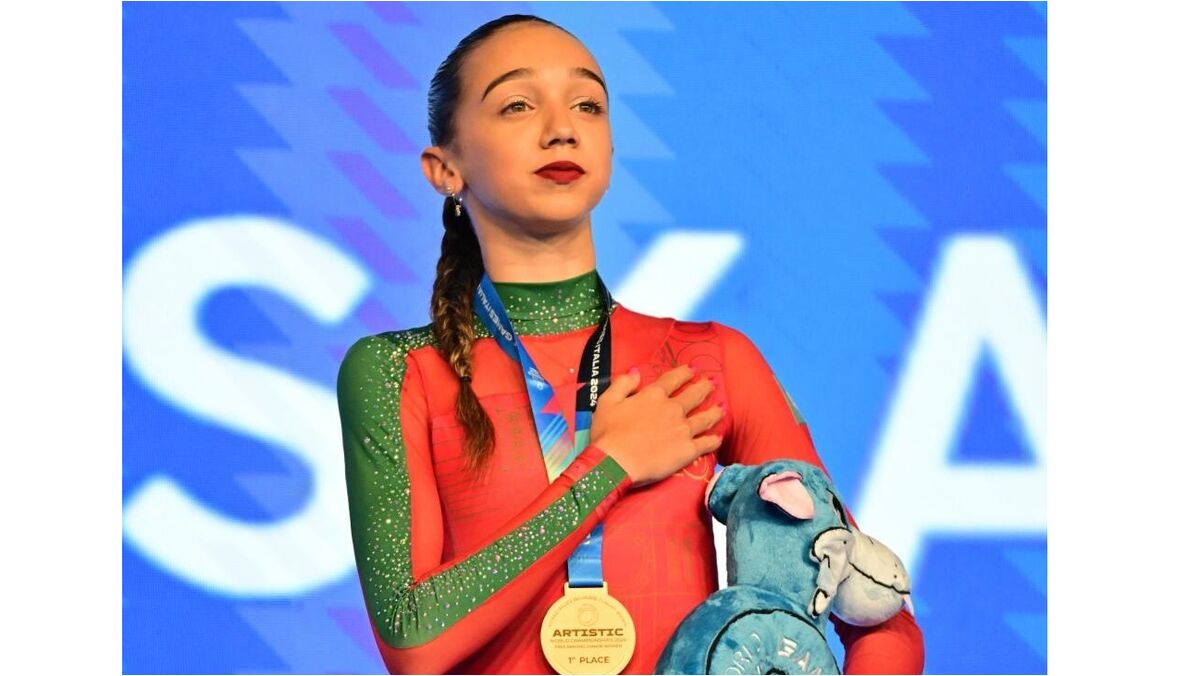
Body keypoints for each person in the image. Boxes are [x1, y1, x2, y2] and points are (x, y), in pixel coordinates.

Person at [336, 13, 924, 675]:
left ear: (610, 149)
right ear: (444, 168)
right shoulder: (397, 371)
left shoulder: (711, 361)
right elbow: (413, 641)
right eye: (518, 105)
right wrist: (609, 463)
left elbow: (875, 611)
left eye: (586, 105)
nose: (562, 128)